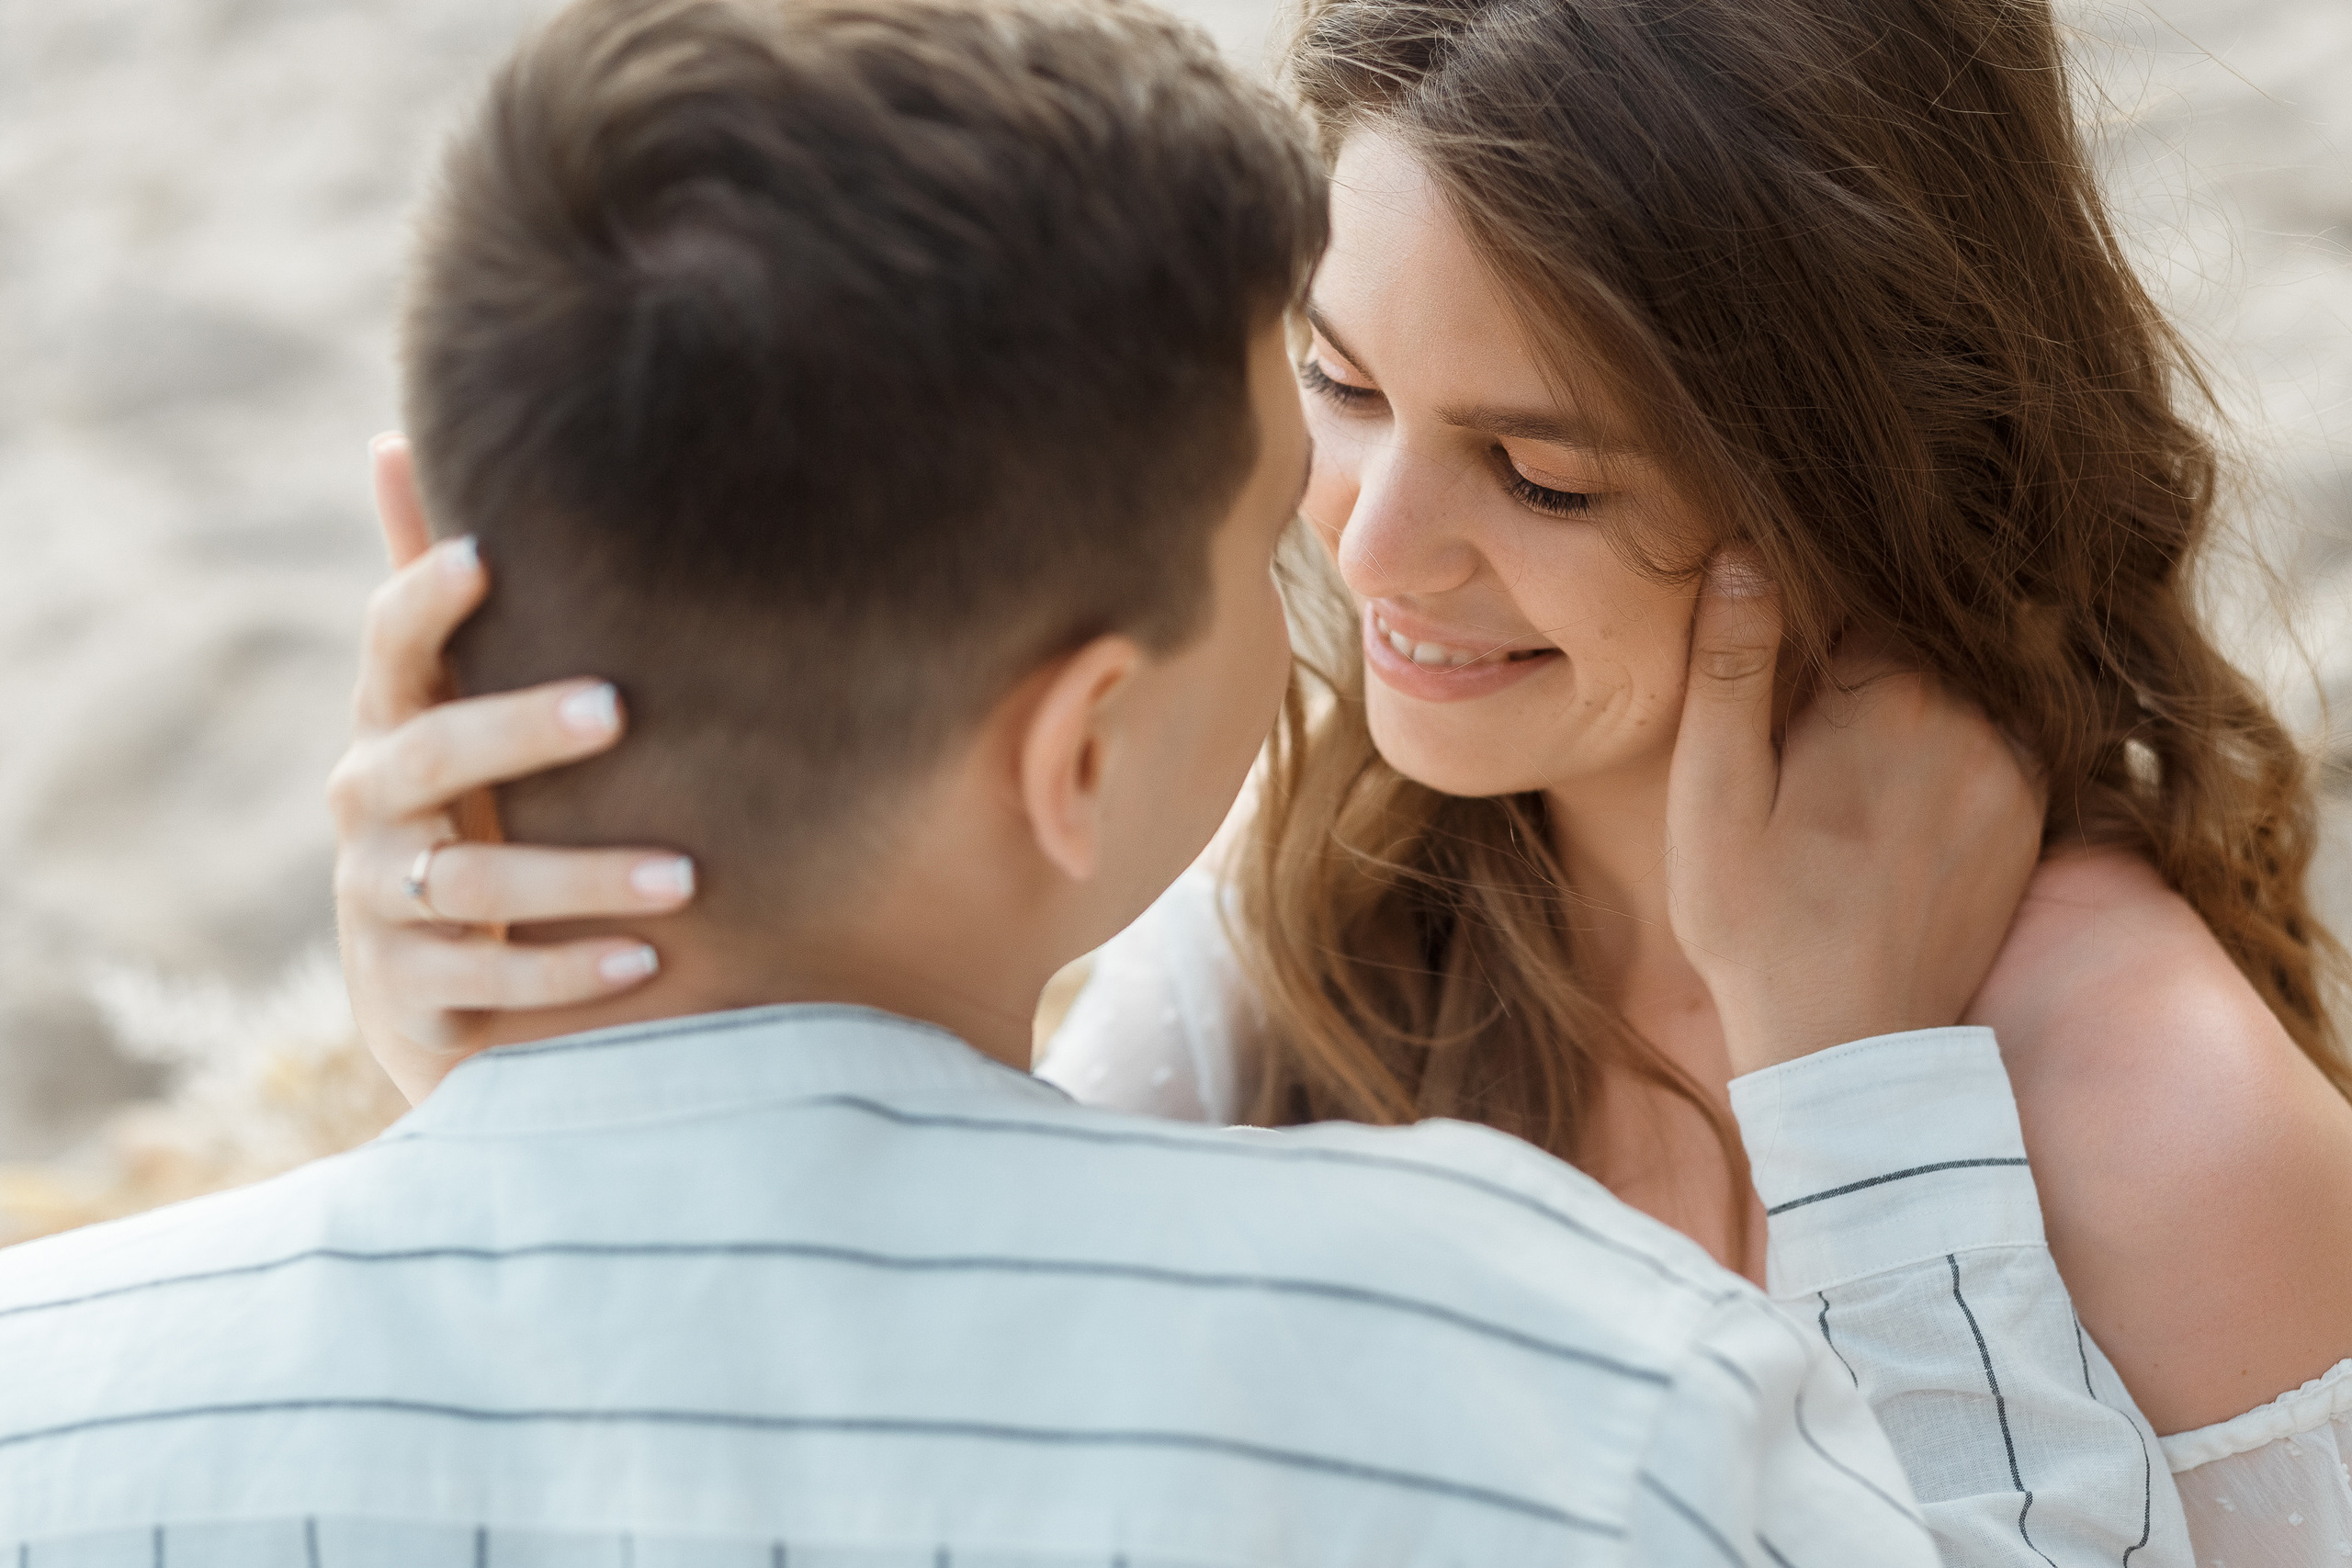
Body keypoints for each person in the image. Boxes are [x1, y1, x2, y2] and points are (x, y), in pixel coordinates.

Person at [0, 0, 2176, 1560]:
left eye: (1525, 465)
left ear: (430, 561)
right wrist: (1867, 1110)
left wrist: (473, 1084)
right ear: (1077, 743)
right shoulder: (1549, 1373)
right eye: (1293, 463)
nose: (1350, 553)